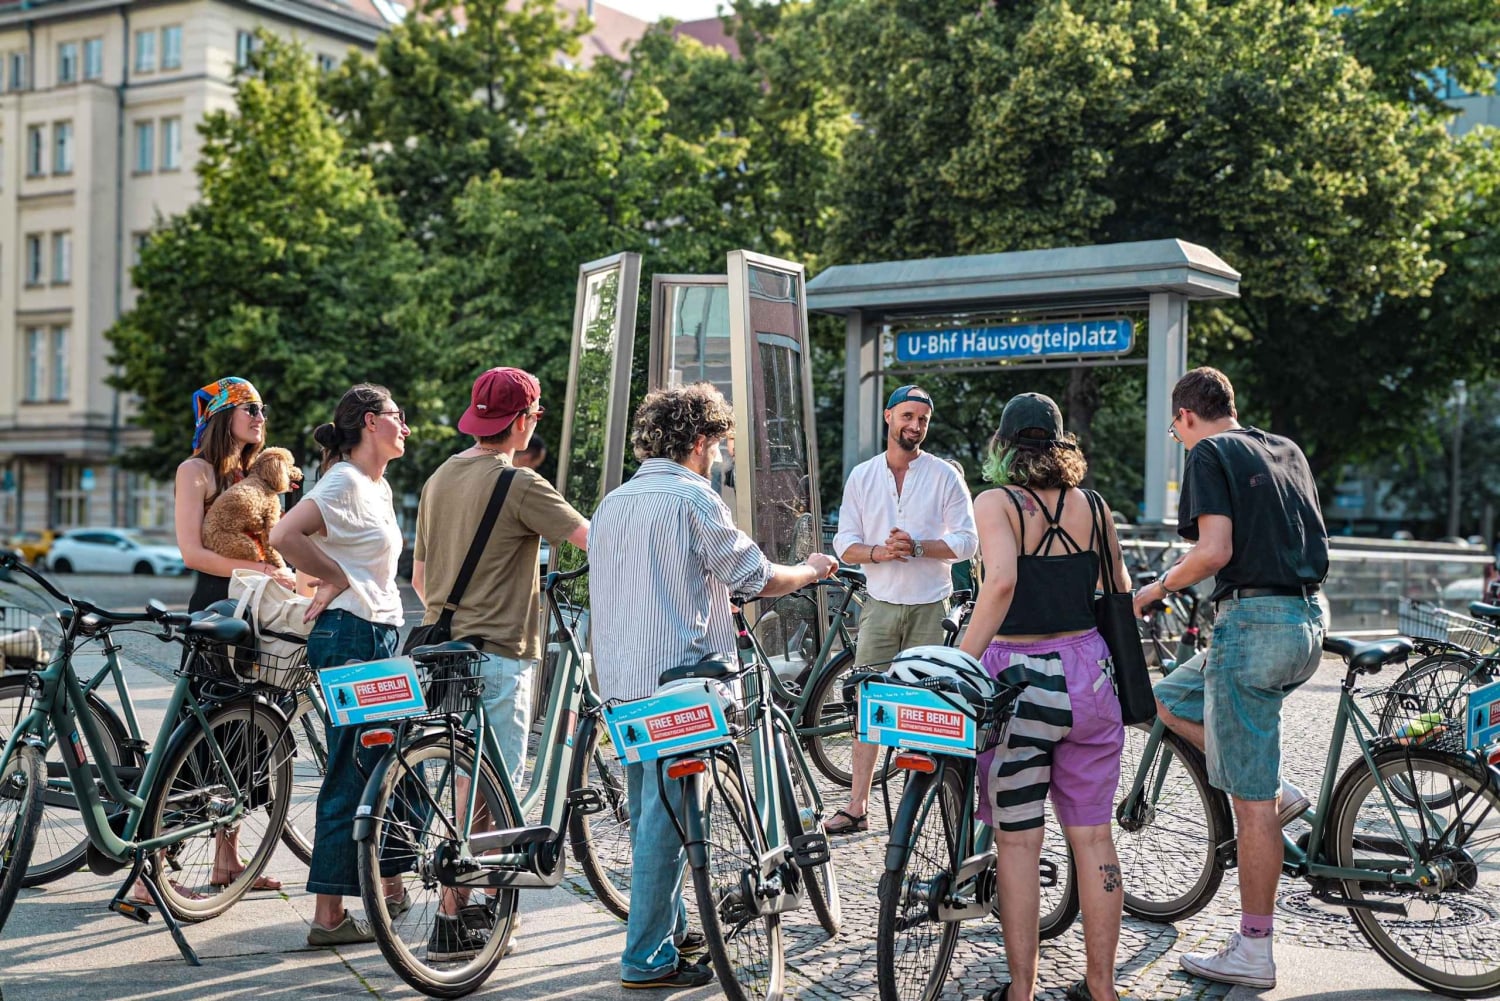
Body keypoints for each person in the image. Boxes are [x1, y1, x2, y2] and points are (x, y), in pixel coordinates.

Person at [589, 383, 839, 990]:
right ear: (700, 442)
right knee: (667, 824)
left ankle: (669, 931)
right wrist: (811, 568)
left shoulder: (613, 503)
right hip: (684, 685)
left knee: (655, 809)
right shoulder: (693, 498)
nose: (723, 454)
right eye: (722, 443)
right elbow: (752, 575)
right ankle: (646, 959)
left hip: (624, 682)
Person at [1137, 367, 1328, 990]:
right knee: (1164, 696)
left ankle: (1254, 948)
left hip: (1252, 625)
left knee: (1250, 806)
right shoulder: (1286, 449)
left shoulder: (1210, 452)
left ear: (1186, 416)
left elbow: (1215, 549)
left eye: (1175, 430)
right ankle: (1279, 788)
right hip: (1308, 621)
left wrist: (1155, 589)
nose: (1179, 439)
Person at [958, 393, 1131, 1001]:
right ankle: (1102, 989)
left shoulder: (996, 502)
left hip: (1020, 679)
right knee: (1092, 837)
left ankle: (1022, 991)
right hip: (1091, 677)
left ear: (1004, 444)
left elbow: (1001, 581)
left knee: (1019, 842)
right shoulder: (1095, 506)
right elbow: (1120, 588)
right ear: (1060, 444)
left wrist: (959, 661)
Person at [270, 383, 411, 946]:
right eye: (399, 417)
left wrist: (342, 575)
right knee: (355, 766)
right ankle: (328, 913)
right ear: (372, 422)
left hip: (376, 632)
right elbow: (285, 534)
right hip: (352, 634)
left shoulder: (376, 484)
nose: (407, 427)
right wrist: (334, 578)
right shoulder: (343, 481)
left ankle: (391, 885)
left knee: (393, 761)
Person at [413, 367, 588, 789]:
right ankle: (481, 854)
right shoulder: (519, 482)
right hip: (499, 650)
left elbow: (420, 577)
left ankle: (459, 852)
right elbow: (595, 541)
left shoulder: (439, 478)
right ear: (523, 420)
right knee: (499, 785)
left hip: (444, 655)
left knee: (464, 771)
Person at [827, 384, 977, 833]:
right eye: (908, 416)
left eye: (923, 420)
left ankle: (922, 806)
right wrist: (879, 554)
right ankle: (856, 805)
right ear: (888, 417)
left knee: (927, 708)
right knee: (869, 707)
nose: (915, 426)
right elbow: (843, 543)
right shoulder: (863, 475)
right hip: (879, 606)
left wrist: (918, 548)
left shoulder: (946, 474)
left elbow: (968, 542)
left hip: (931, 606)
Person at [174, 377, 296, 611]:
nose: (260, 418)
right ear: (223, 415)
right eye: (251, 409)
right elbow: (192, 555)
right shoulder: (193, 470)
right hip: (219, 602)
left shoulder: (257, 473)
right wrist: (266, 571)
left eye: (263, 410)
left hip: (264, 598)